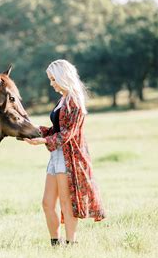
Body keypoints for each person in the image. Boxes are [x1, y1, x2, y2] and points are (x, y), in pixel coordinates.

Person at [24, 59, 105, 246]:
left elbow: (68, 133)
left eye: (53, 79)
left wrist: (43, 140)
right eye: (50, 79)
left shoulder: (74, 101)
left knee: (66, 204)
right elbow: (57, 129)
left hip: (69, 157)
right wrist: (36, 131)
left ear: (63, 77)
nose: (51, 84)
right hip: (56, 155)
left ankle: (71, 244)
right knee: (47, 203)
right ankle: (56, 243)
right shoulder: (63, 99)